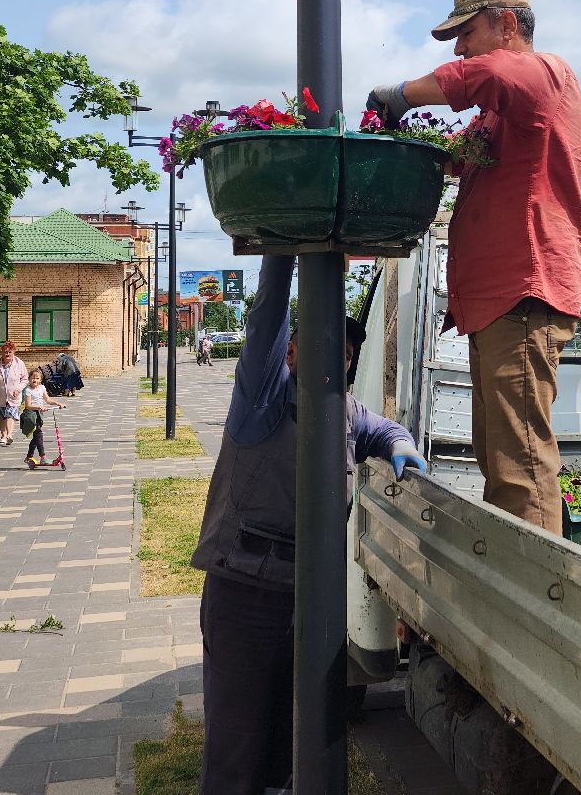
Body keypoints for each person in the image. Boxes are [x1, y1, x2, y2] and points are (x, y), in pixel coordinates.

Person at [190, 253, 428, 795]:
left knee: (287, 736)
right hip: (246, 593)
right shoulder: (262, 400)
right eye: (319, 345)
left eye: (345, 353)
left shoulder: (342, 410)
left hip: (308, 596)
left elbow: (383, 428)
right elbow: (267, 322)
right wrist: (282, 255)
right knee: (236, 741)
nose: (335, 359)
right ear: (292, 352)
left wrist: (400, 444)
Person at [366, 0, 581, 531]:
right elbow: (463, 158)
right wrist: (410, 149)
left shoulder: (544, 75)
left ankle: (531, 599)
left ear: (506, 22)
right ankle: (513, 586)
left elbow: (482, 73)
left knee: (521, 466)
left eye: (465, 32)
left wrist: (402, 95)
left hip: (523, 292)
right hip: (498, 303)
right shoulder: (501, 115)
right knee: (499, 460)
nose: (459, 48)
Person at [0, 341, 27, 447]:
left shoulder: (19, 363)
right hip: (0, 395)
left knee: (10, 415)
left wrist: (19, 389)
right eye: (5, 352)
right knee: (1, 416)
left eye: (9, 352)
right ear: (2, 352)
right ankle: (3, 436)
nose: (7, 354)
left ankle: (9, 435)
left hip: (13, 395)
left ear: (13, 352)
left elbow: (25, 379)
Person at [19, 368, 65, 465]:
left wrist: (58, 403)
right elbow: (28, 405)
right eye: (32, 378)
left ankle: (29, 456)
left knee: (36, 437)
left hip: (39, 414)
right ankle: (43, 457)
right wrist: (39, 407)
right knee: (39, 434)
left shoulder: (42, 388)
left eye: (37, 378)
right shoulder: (28, 390)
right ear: (29, 379)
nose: (34, 380)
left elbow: (47, 400)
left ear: (40, 380)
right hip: (31, 415)